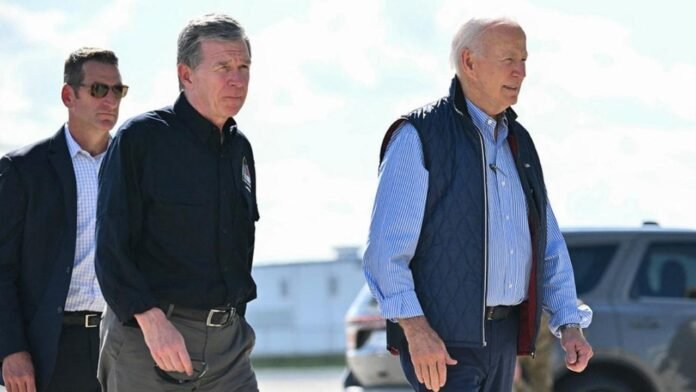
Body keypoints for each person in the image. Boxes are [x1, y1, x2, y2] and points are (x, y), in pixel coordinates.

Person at [363, 17, 594, 391]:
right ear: (469, 62)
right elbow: (384, 253)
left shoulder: (521, 143)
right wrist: (415, 331)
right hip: (443, 345)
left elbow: (547, 245)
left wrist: (569, 324)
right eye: (509, 59)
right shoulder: (418, 136)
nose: (520, 72)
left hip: (503, 343)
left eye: (524, 60)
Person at [95, 14, 259, 392]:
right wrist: (152, 322)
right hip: (151, 340)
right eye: (223, 67)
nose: (237, 79)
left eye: (244, 66)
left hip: (229, 350)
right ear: (186, 75)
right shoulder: (142, 139)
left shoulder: (240, 148)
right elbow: (110, 248)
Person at [0, 47, 127, 392]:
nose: (110, 100)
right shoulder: (24, 169)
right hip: (53, 347)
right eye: (99, 89)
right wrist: (10, 349)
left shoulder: (132, 168)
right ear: (68, 95)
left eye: (118, 90)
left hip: (121, 344)